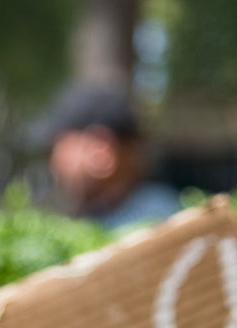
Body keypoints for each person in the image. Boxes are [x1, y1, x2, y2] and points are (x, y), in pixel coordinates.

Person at [28, 83, 180, 231]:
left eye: (55, 149)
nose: (53, 165)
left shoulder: (162, 224)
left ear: (100, 152)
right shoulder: (92, 221)